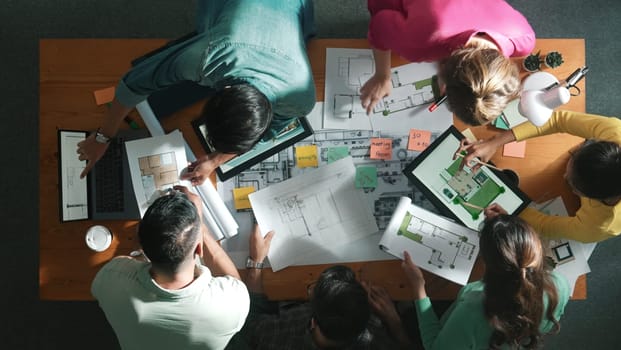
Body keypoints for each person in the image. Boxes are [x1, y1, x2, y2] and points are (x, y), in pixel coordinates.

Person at [78, 0, 317, 185]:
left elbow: (264, 134)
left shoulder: (301, 98)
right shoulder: (209, 56)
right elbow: (133, 84)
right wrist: (103, 137)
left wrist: (215, 160)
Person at [91, 186, 249, 350]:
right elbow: (236, 283)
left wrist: (139, 249)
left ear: (143, 244)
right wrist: (200, 226)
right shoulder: (230, 304)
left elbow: (127, 263)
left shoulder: (113, 278)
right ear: (199, 249)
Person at [402, 215, 570, 349]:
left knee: (408, 319)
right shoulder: (560, 285)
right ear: (536, 248)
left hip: (471, 334)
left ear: (485, 261)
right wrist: (509, 228)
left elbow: (434, 346)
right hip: (518, 339)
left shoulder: (473, 309)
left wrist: (419, 287)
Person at [360, 0, 535, 125]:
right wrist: (383, 76)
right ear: (442, 83)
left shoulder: (524, 40)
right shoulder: (420, 43)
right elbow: (378, 26)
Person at [461, 110, 621, 243]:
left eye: (573, 185)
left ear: (595, 199)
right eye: (574, 156)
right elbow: (557, 120)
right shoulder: (614, 132)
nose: (565, 175)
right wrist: (494, 142)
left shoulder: (600, 226)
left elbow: (547, 227)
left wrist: (512, 215)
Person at [237, 226, 404, 349]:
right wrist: (394, 321)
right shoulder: (377, 341)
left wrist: (256, 263)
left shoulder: (279, 337)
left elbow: (252, 320)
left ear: (313, 320)